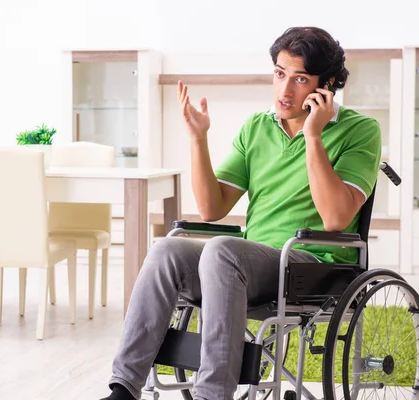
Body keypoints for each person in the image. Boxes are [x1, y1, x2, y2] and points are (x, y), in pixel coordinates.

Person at [100, 26, 381, 400]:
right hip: (248, 264)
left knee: (221, 250)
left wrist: (313, 135)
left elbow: (335, 218)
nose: (285, 90)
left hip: (312, 265)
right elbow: (211, 207)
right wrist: (198, 138)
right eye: (280, 74)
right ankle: (123, 388)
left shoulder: (360, 131)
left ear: (325, 84)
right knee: (166, 249)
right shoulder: (257, 127)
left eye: (300, 79)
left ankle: (213, 395)